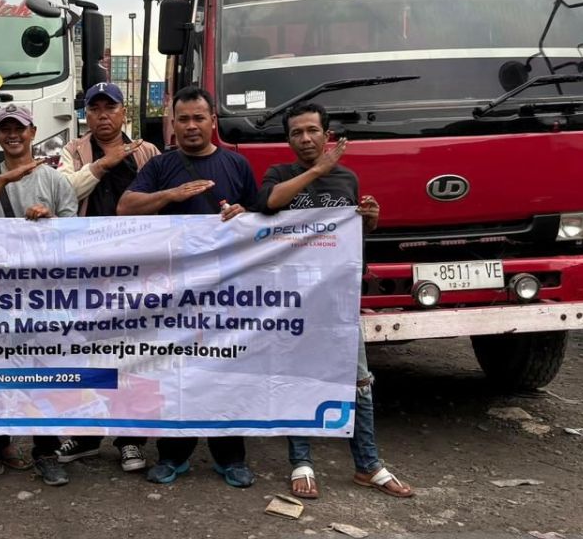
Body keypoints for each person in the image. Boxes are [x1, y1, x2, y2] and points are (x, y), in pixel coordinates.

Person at [253, 101, 412, 500]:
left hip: (338, 299)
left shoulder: (347, 180)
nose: (305, 139)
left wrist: (368, 221)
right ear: (288, 140)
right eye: (296, 133)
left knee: (358, 381)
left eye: (311, 131)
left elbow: (347, 239)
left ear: (327, 135)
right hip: (292, 297)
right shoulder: (280, 175)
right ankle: (301, 462)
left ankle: (368, 464)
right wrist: (317, 170)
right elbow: (269, 204)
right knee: (296, 375)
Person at [117, 85, 257, 488]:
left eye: (199, 118)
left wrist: (242, 214)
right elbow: (126, 207)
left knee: (226, 373)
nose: (192, 126)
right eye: (184, 119)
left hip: (225, 294)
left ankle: (230, 458)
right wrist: (170, 195)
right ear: (173, 124)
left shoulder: (237, 165)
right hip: (174, 294)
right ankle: (173, 455)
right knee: (176, 374)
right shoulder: (161, 166)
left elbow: (259, 219)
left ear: (213, 121)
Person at [0, 103, 78, 488]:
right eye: (5, 129)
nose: (13, 134)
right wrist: (6, 181)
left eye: (20, 128)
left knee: (44, 376)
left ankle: (45, 451)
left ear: (32, 131)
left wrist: (50, 221)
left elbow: (73, 240)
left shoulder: (57, 182)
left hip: (42, 300)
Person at [54, 82, 158, 473]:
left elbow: (163, 199)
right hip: (86, 269)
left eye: (109, 107)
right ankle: (86, 434)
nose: (102, 115)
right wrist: (103, 163)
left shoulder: (147, 152)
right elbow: (62, 191)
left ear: (122, 111)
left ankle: (130, 438)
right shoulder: (73, 151)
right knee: (88, 352)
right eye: (94, 108)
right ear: (86, 114)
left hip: (134, 269)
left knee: (133, 354)